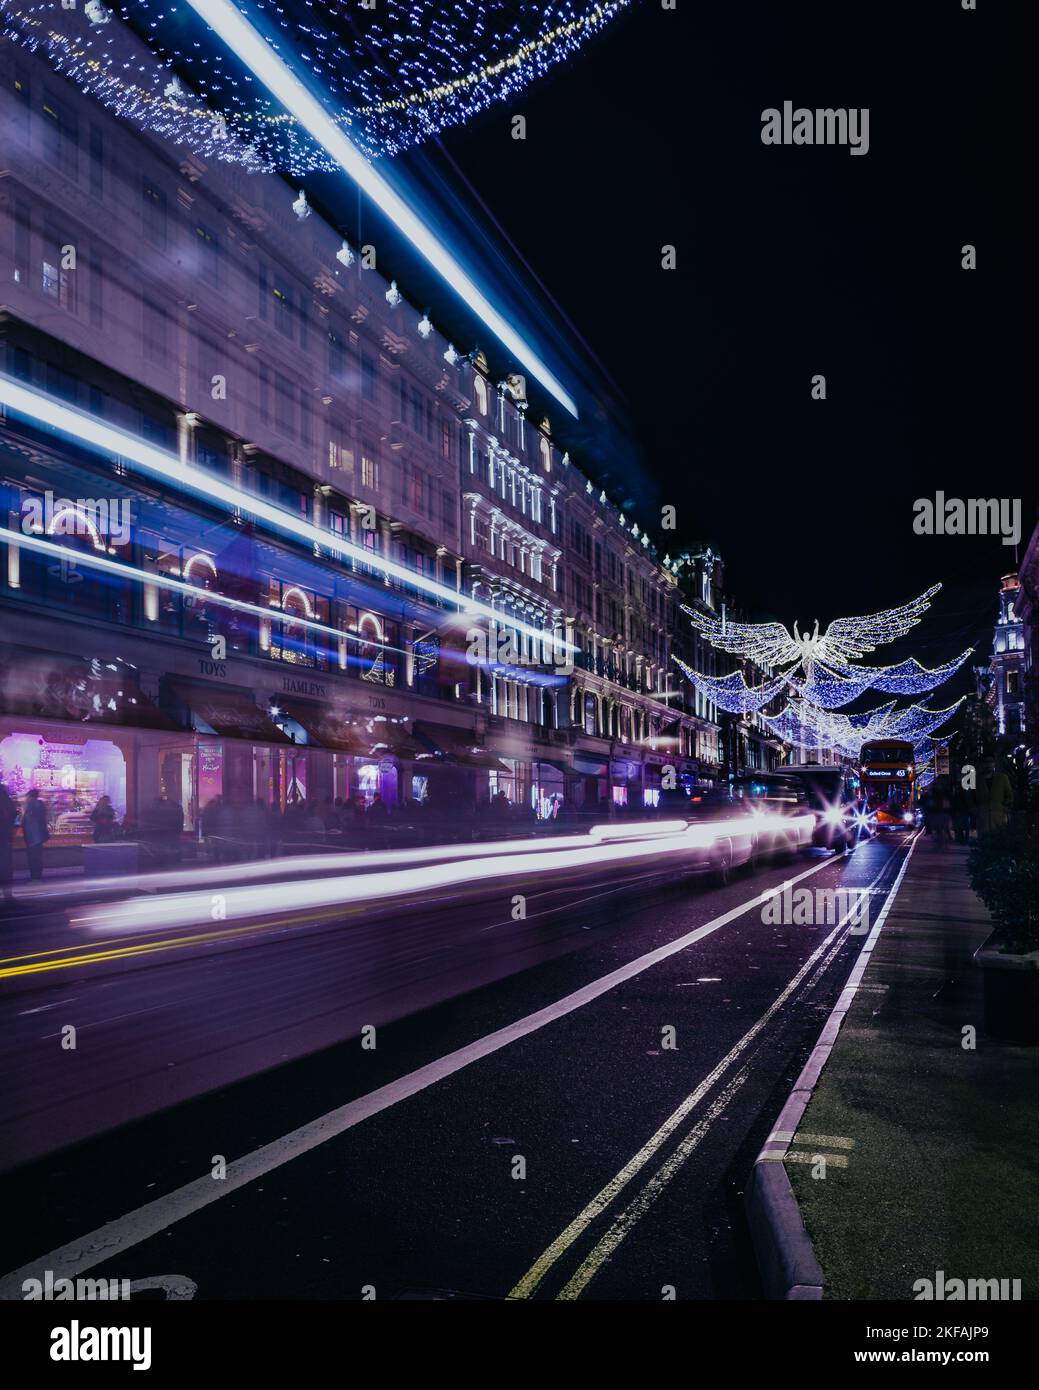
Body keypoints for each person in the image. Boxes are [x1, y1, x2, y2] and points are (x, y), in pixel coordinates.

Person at [976, 757, 1014, 834]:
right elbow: (970, 796)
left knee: (998, 838)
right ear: (982, 764)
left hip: (999, 814)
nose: (988, 765)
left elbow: (1009, 795)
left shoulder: (1002, 778)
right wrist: (973, 809)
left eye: (991, 762)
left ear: (994, 764)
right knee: (984, 838)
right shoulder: (976, 779)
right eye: (986, 762)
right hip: (982, 815)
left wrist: (1004, 807)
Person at [22, 788, 50, 882]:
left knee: (34, 858)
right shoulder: (37, 805)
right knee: (36, 857)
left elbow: (30, 823)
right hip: (36, 837)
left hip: (34, 837)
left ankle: (35, 877)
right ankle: (36, 877)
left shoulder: (32, 806)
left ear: (30, 796)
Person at [0, 783, 17, 902]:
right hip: (5, 837)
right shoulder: (8, 801)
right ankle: (8, 895)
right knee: (5, 866)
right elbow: (13, 815)